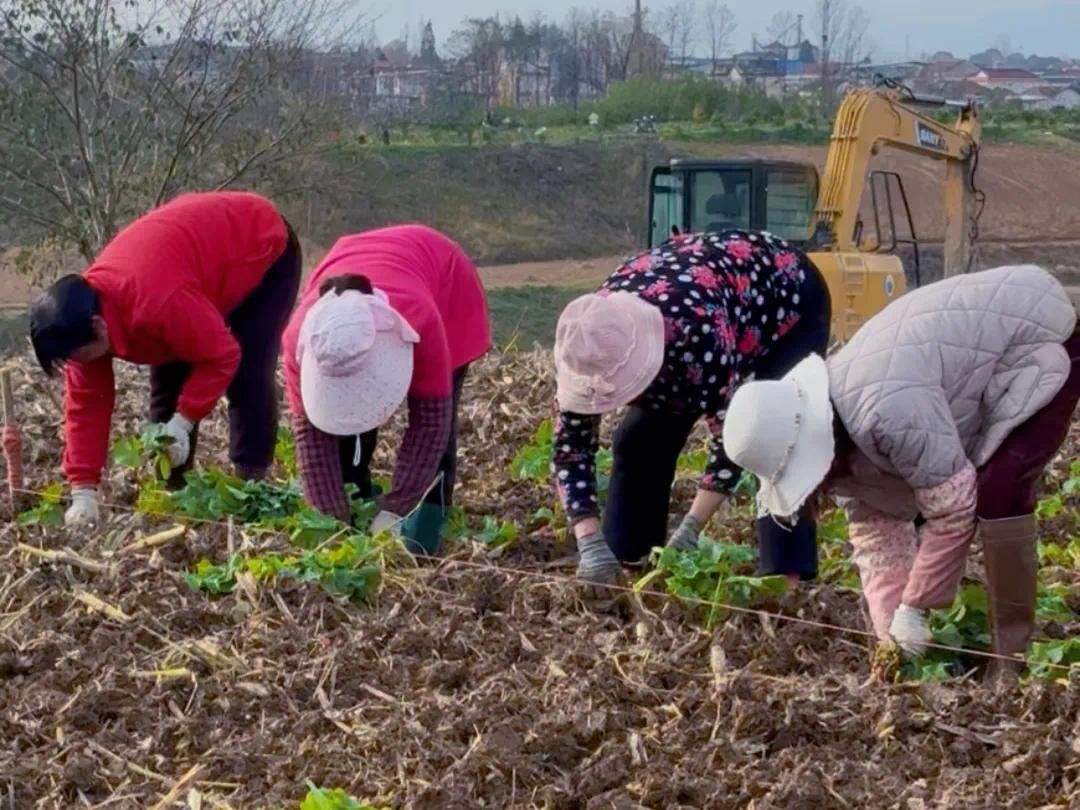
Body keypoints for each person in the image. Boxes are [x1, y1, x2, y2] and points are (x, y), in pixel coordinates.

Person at [722, 265, 1079, 676]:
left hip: (1040, 332)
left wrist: (915, 607)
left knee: (1001, 490)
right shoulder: (840, 442)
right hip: (980, 359)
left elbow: (953, 506)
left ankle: (1010, 664)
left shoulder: (883, 411)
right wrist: (892, 642)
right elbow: (878, 540)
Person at [552, 230, 832, 587]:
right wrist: (589, 541)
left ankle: (785, 574)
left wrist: (691, 528)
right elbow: (569, 449)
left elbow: (733, 441)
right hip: (699, 306)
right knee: (638, 440)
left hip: (786, 299)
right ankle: (628, 556)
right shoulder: (585, 338)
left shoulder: (696, 333)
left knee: (778, 433)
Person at [29, 191, 302, 526]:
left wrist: (183, 421)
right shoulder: (84, 319)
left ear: (98, 328)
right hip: (190, 268)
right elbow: (87, 404)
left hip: (260, 244)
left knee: (247, 370)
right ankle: (174, 486)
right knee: (168, 377)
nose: (78, 365)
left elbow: (221, 355)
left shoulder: (156, 301)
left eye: (76, 357)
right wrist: (83, 490)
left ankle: (251, 481)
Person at [282, 224, 491, 555]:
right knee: (341, 425)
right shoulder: (300, 338)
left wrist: (396, 507)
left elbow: (430, 427)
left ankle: (426, 530)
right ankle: (355, 506)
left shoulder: (420, 319)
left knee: (441, 440)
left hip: (445, 281)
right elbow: (312, 440)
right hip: (358, 260)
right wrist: (332, 526)